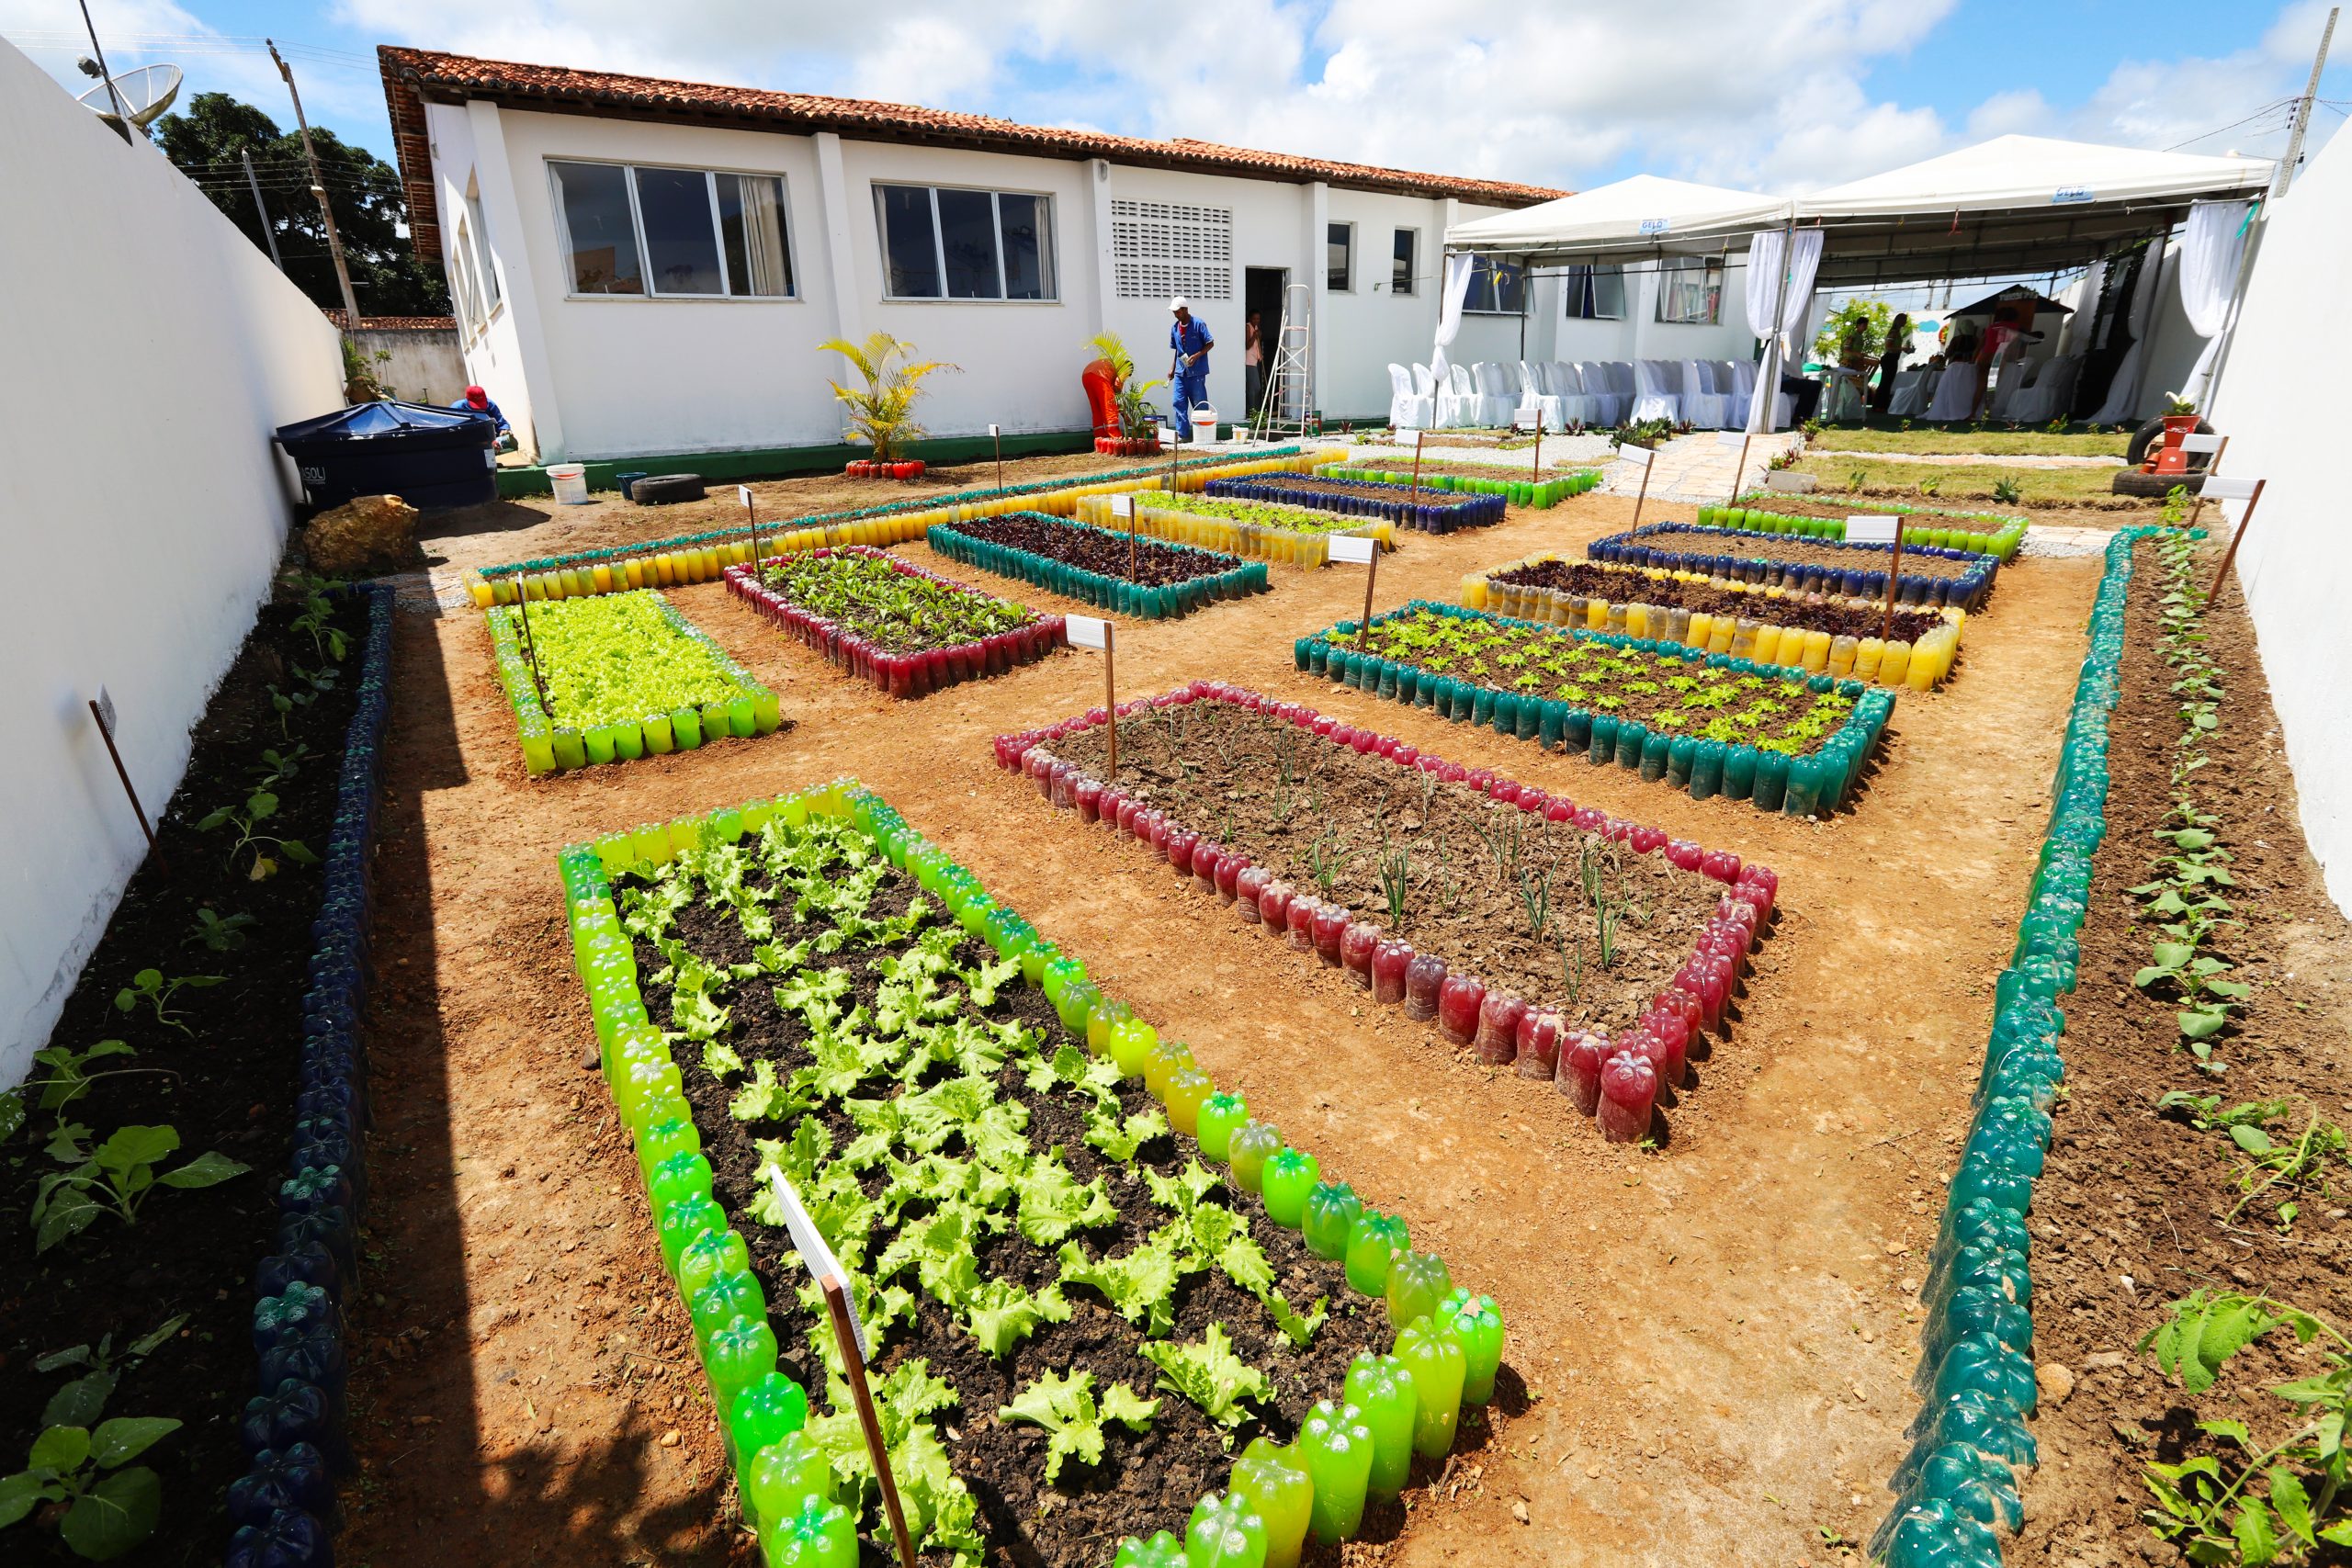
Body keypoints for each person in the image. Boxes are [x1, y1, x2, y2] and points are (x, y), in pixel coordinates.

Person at [1168, 297, 1214, 441]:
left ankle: (1204, 434)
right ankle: (1183, 435)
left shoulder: (1198, 324)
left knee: (1199, 404)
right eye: (1174, 312)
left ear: (1185, 309)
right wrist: (1172, 368)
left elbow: (1210, 343)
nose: (1176, 314)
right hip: (1180, 372)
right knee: (1178, 402)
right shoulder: (1175, 328)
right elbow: (1177, 351)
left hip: (1197, 373)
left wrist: (1197, 355)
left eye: (1178, 312)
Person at [1869, 312, 1910, 414]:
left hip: (1894, 359)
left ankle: (1883, 406)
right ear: (1899, 321)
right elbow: (1888, 347)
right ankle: (1878, 406)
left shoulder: (1898, 333)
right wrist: (1902, 348)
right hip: (1889, 359)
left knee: (1888, 383)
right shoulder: (1893, 332)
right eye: (1904, 320)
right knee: (1885, 383)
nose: (1905, 322)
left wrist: (1903, 350)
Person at [1242, 311, 1264, 413]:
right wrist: (1255, 336)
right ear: (1250, 318)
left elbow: (1256, 344)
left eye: (1258, 319)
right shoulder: (1248, 327)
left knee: (1254, 387)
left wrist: (1260, 354)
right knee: (1255, 387)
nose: (1256, 321)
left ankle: (1251, 410)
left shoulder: (1255, 328)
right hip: (1249, 361)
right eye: (1254, 318)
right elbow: (1247, 346)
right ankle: (1251, 411)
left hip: (1254, 360)